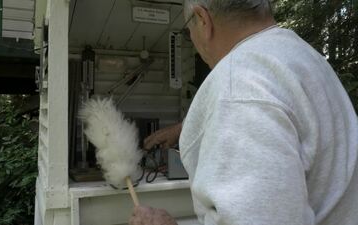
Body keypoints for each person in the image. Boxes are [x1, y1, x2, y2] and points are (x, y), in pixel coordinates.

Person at [130, 0, 358, 224]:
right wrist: (188, 128)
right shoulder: (305, 56)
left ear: (202, 19)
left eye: (188, 28)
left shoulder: (237, 84)